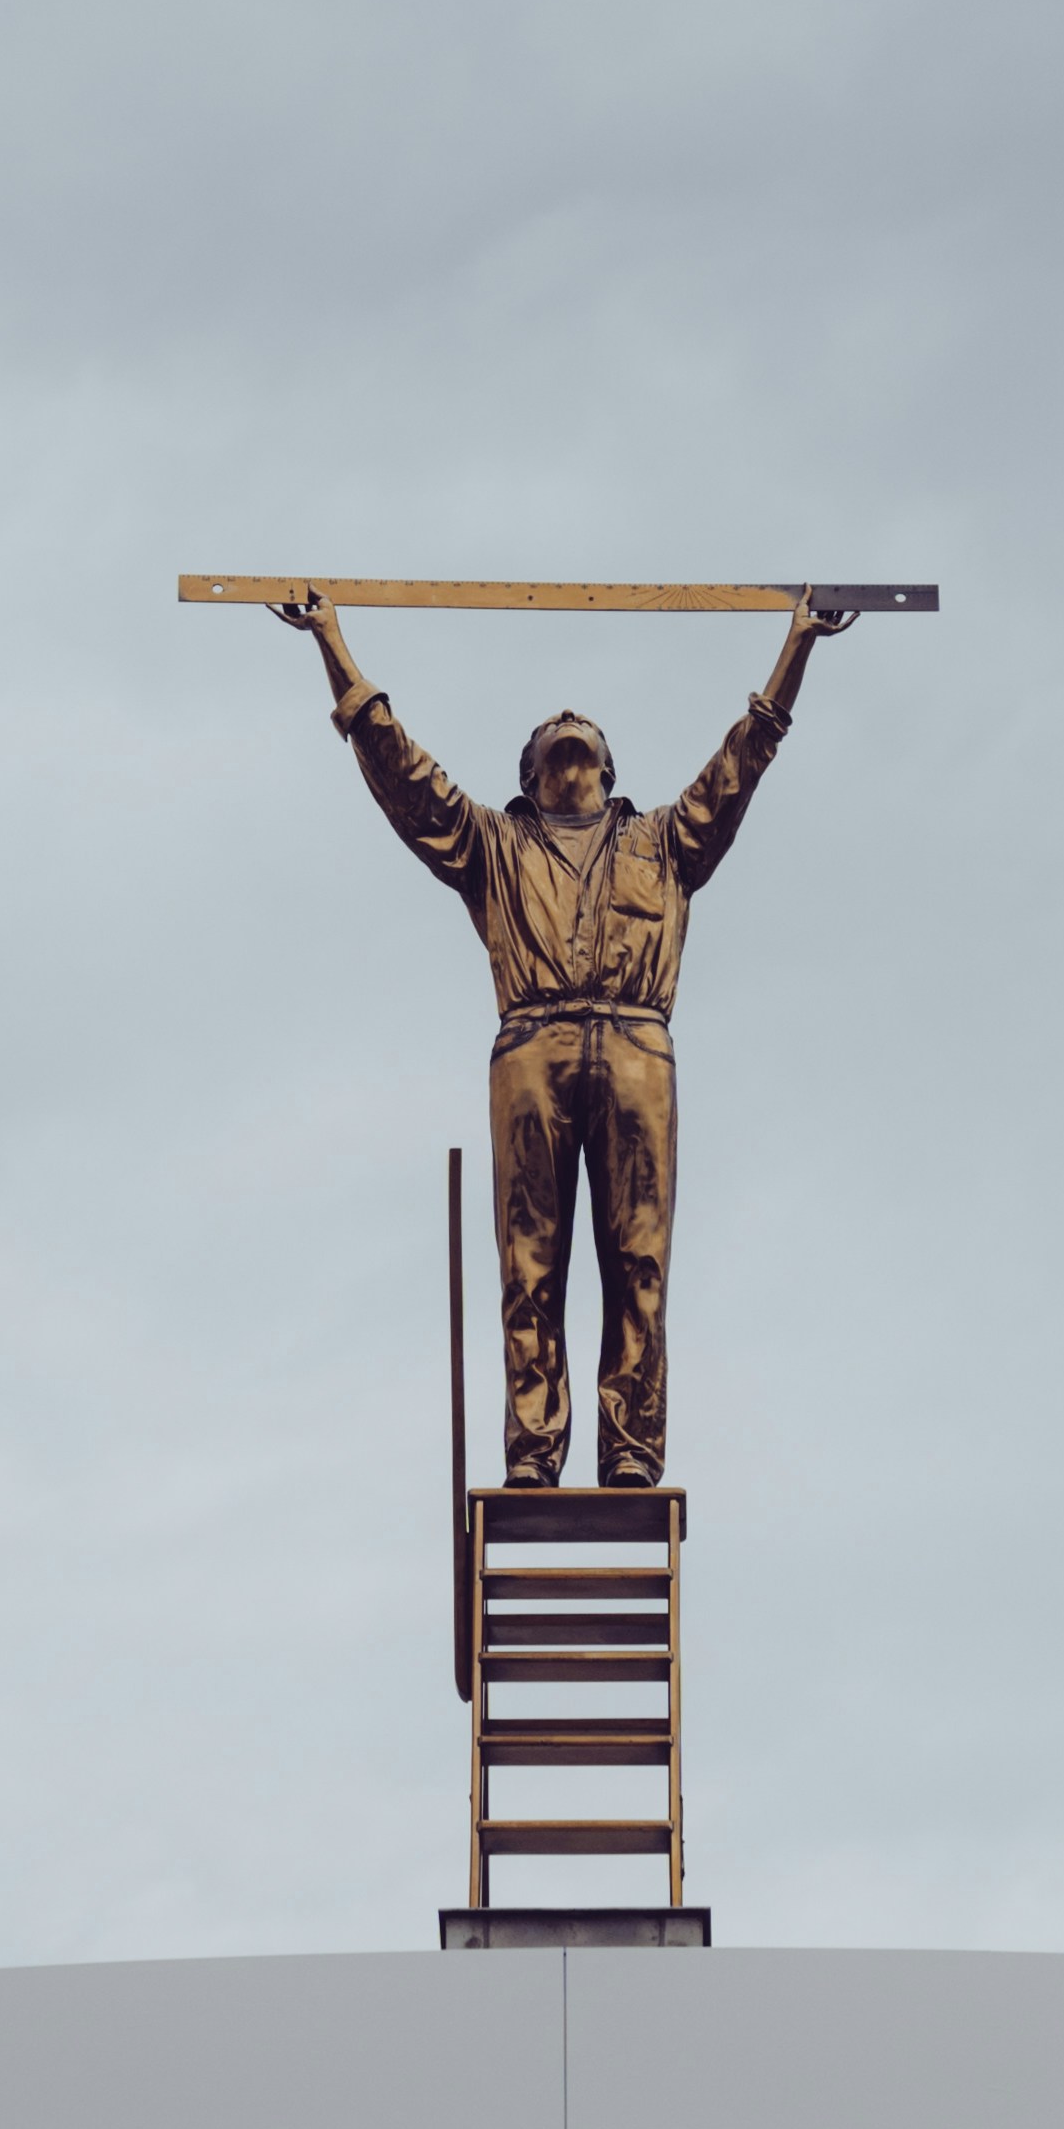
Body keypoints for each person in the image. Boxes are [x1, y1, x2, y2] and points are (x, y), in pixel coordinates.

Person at [273, 586, 848, 1485]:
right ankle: (535, 1453)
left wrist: (798, 644)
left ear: (610, 771)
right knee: (529, 1262)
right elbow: (397, 767)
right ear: (530, 770)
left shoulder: (662, 842)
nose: (568, 723)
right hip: (533, 1047)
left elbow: (745, 757)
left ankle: (629, 1449)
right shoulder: (492, 846)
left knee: (638, 1261)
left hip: (635, 1046)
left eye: (584, 727)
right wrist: (330, 644)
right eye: (551, 726)